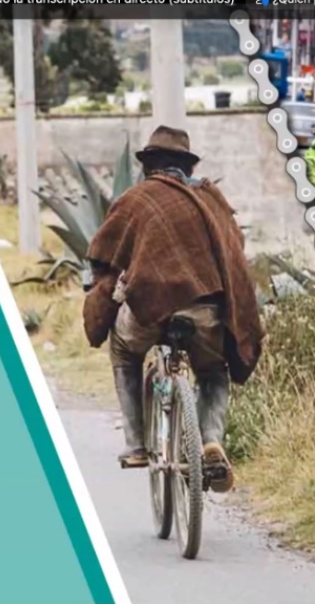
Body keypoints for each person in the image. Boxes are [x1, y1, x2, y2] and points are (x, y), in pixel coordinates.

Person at [82, 126, 266, 492]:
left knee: (123, 350)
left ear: (149, 165)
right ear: (186, 165)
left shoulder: (136, 199)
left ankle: (135, 444)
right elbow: (235, 252)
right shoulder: (212, 200)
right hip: (207, 310)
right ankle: (211, 439)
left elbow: (102, 254)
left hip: (149, 311)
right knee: (214, 372)